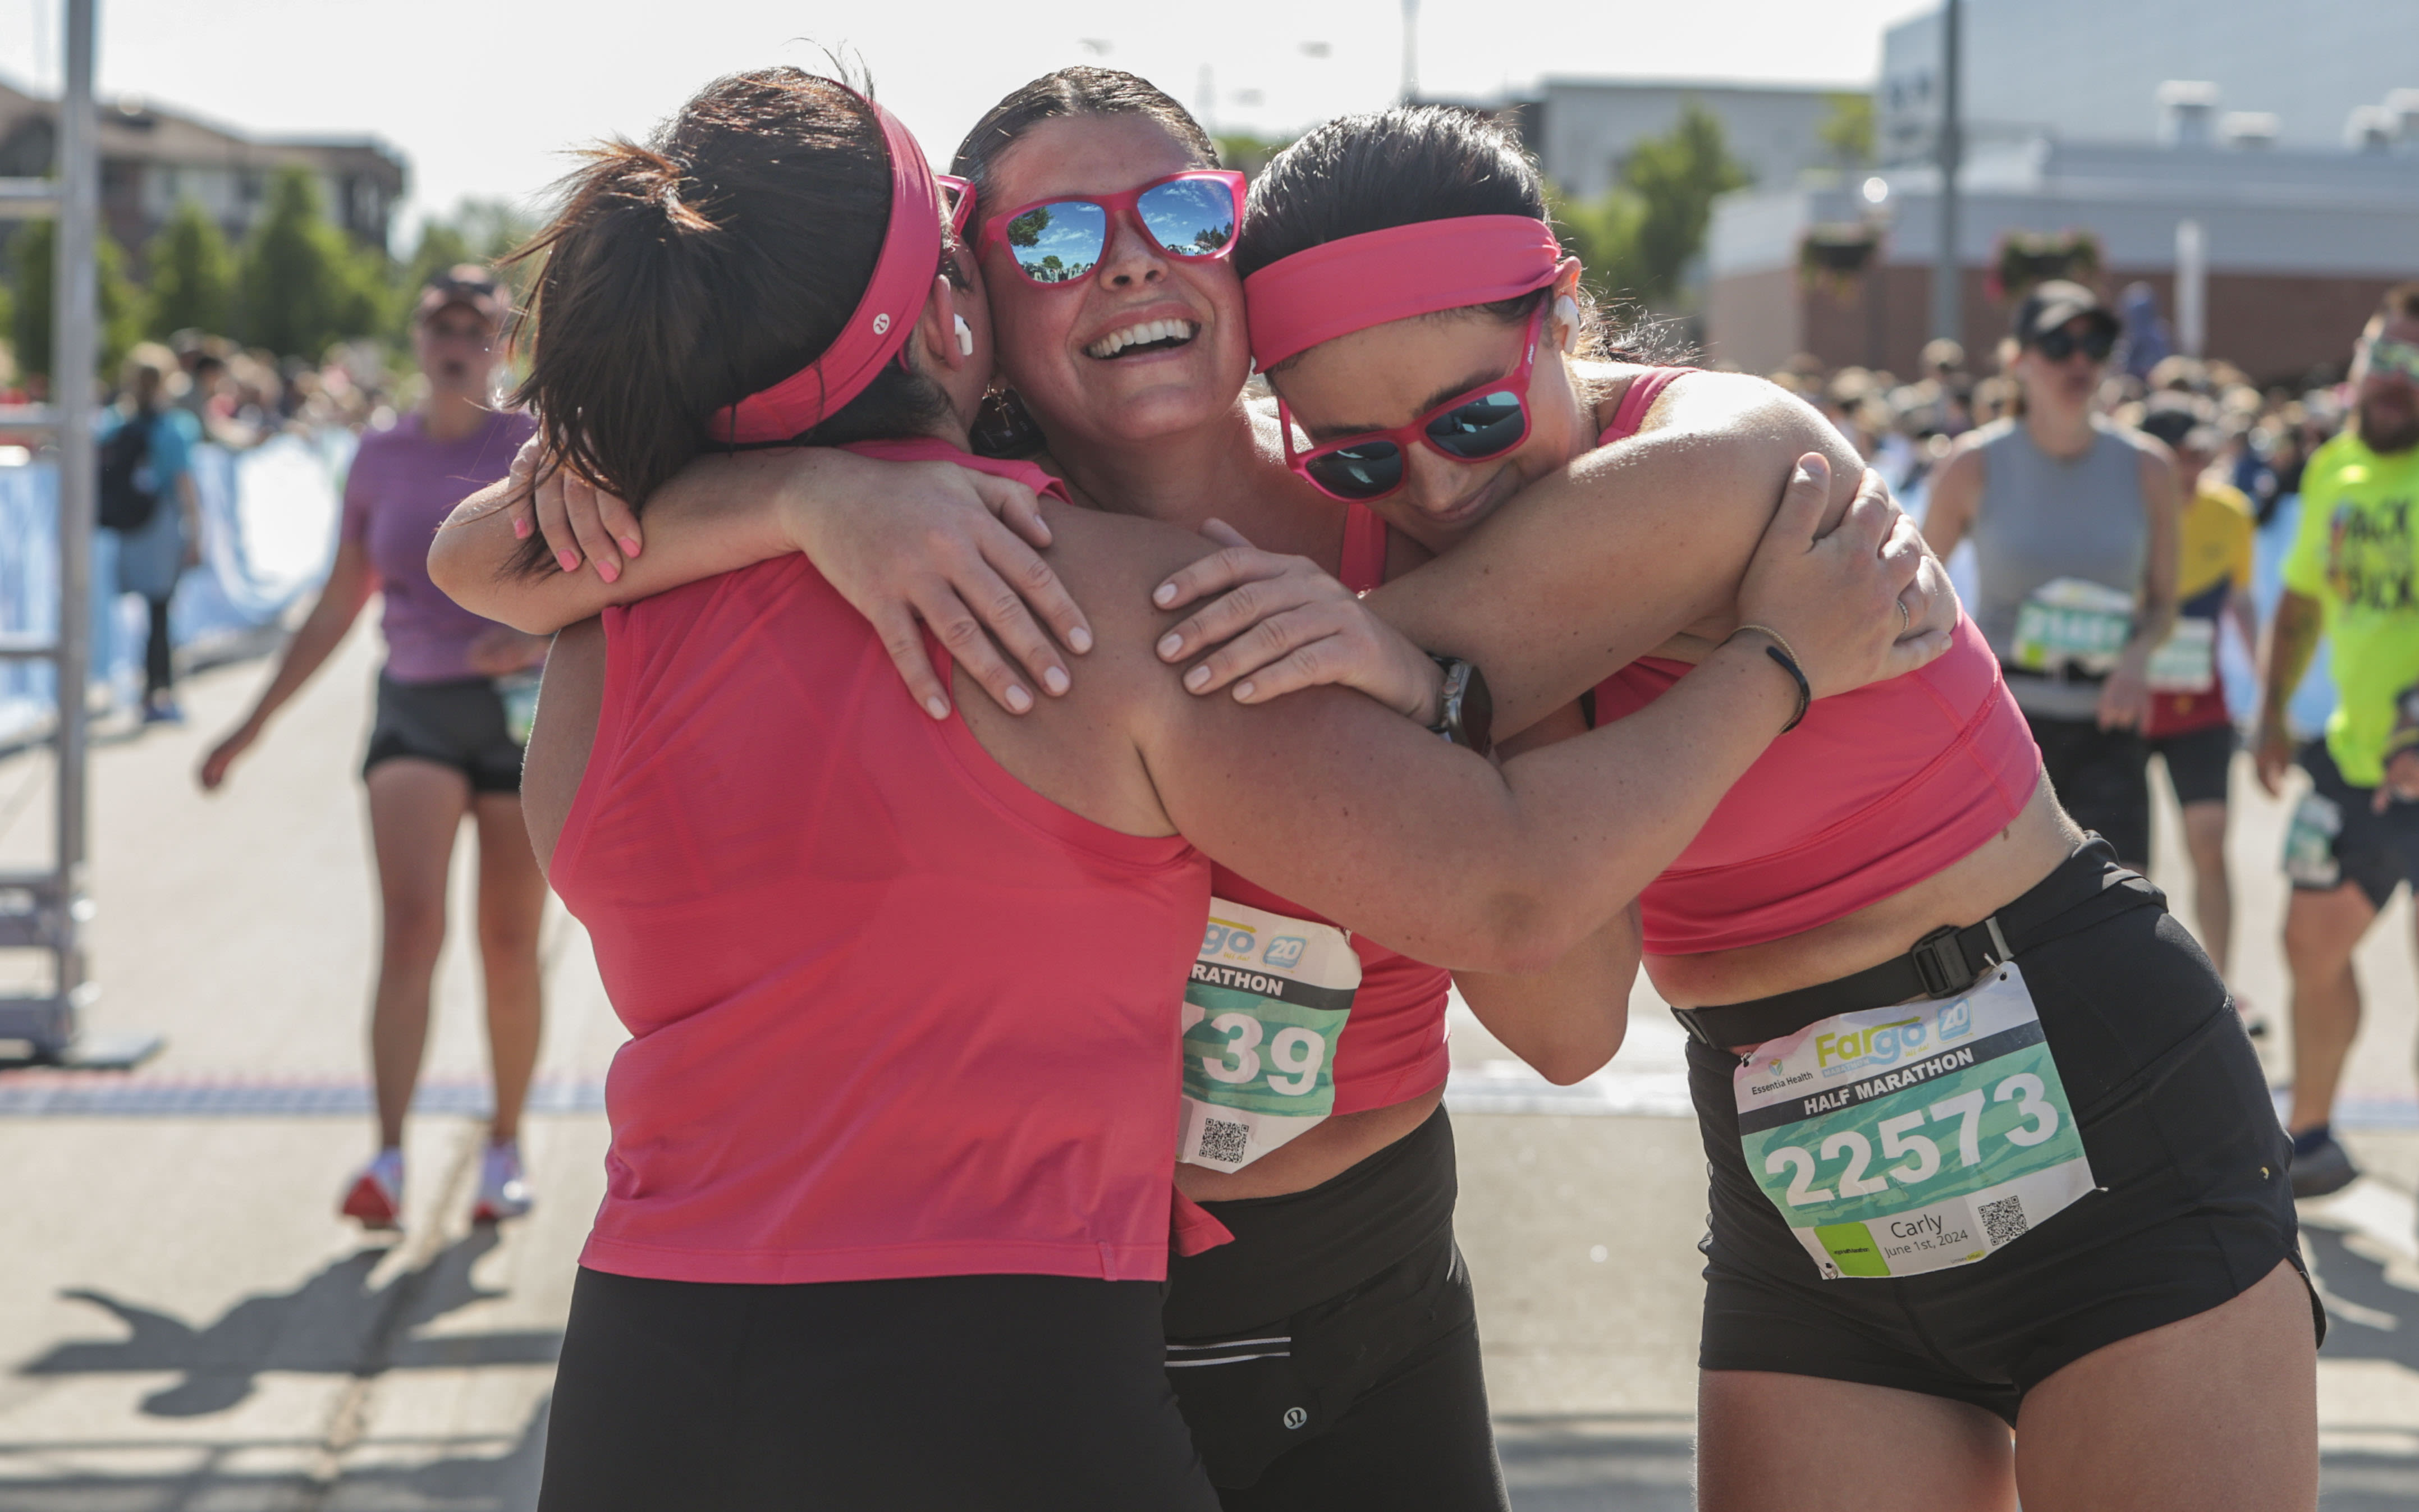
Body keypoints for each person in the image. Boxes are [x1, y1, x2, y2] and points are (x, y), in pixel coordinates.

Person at [459, 68, 1934, 1511]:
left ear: (1241, 252)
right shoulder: (1017, 568)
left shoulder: (1419, 526)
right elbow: (486, 549)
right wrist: (808, 495)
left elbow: (1561, 1021)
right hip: (1064, 1316)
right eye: (1048, 242)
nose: (1125, 262)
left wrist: (1442, 667)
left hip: (1327, 1287)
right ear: (962, 304)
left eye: (1179, 208)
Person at [1172, 107, 2312, 1511]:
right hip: (1798, 1168)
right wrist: (1444, 700)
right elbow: (1564, 1019)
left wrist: (1336, 687)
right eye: (1352, 460)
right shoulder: (1455, 633)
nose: (1437, 481)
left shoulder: (1733, 450)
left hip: (2089, 1088)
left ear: (1567, 312)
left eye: (1474, 413)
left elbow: (1260, 706)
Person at [199, 267, 548, 1230]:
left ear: (505, 340)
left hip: (519, 714)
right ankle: (389, 1155)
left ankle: (505, 1146)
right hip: (417, 710)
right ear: (417, 334)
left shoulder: (537, 444)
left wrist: (534, 637)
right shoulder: (379, 453)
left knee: (509, 943)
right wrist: (252, 722)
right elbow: (337, 599)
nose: (458, 332)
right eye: (441, 316)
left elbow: (605, 578)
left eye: (478, 319)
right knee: (410, 928)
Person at [1923, 280, 2182, 874]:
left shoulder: (2148, 468)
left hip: (2108, 731)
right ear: (2017, 359)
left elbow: (2164, 604)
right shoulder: (1972, 464)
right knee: (1998, 944)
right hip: (2002, 729)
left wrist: (2139, 657)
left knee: (2119, 931)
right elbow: (1911, 591)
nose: (2078, 361)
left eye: (2094, 344)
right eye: (2057, 344)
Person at [2254, 282, 2419, 1199]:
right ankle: (2311, 1134)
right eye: (2381, 359)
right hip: (2353, 759)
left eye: (2413, 367)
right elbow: (2306, 597)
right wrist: (2273, 711)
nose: (2393, 381)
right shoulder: (2335, 469)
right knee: (2308, 941)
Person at [2136, 402, 2258, 1012]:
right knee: (2122, 860)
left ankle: (2222, 985)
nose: (2192, 469)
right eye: (2180, 456)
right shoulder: (2124, 509)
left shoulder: (2229, 512)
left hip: (2201, 704)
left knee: (2208, 840)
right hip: (2128, 701)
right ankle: (2138, 992)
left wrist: (2265, 684)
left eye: (2199, 455)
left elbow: (2240, 601)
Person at [99, 343, 204, 724]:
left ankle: (138, 689)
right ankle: (158, 692)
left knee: (136, 613)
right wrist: (196, 535)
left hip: (123, 531)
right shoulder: (173, 429)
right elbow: (185, 485)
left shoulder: (113, 423)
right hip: (158, 527)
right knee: (160, 613)